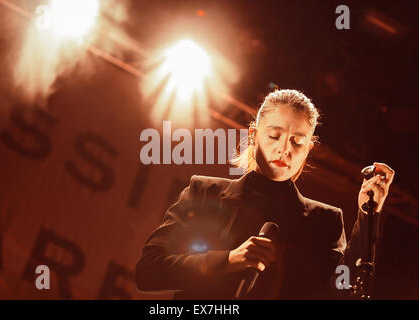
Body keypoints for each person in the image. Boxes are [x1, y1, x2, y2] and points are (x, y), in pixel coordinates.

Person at [135, 89, 395, 299]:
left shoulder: (324, 220)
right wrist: (228, 260)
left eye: (297, 141)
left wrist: (367, 214)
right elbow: (149, 270)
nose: (284, 149)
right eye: (274, 135)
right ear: (253, 135)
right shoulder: (205, 192)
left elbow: (343, 293)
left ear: (309, 149)